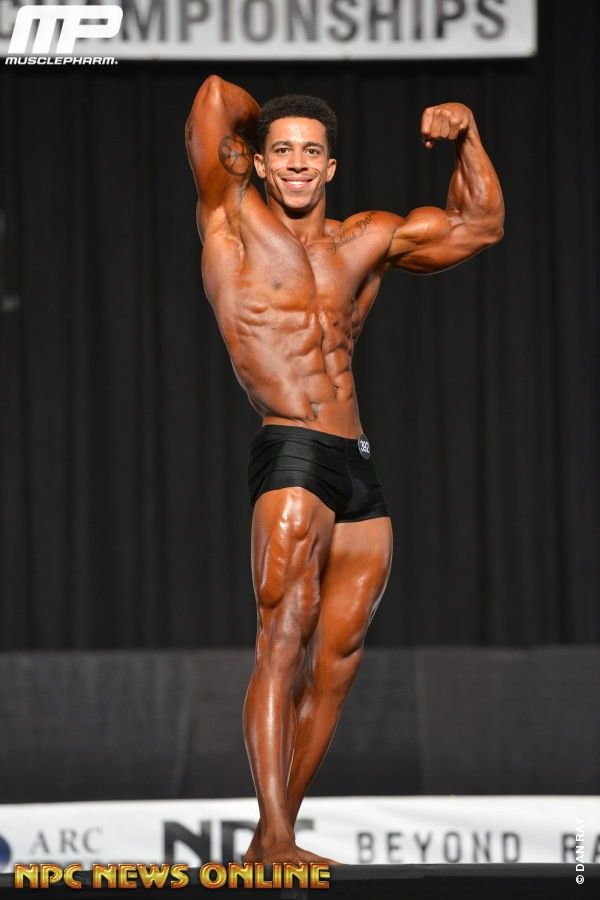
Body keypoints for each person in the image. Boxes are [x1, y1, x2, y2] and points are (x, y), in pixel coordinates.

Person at [185, 75, 504, 865]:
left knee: (337, 663)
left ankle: (275, 835)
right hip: (292, 450)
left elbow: (480, 226)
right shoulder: (231, 220)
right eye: (282, 151)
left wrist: (467, 135)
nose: (297, 163)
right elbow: (214, 97)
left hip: (357, 462)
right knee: (282, 640)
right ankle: (275, 836)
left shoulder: (367, 238)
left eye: (312, 152)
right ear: (259, 162)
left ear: (332, 166)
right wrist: (260, 127)